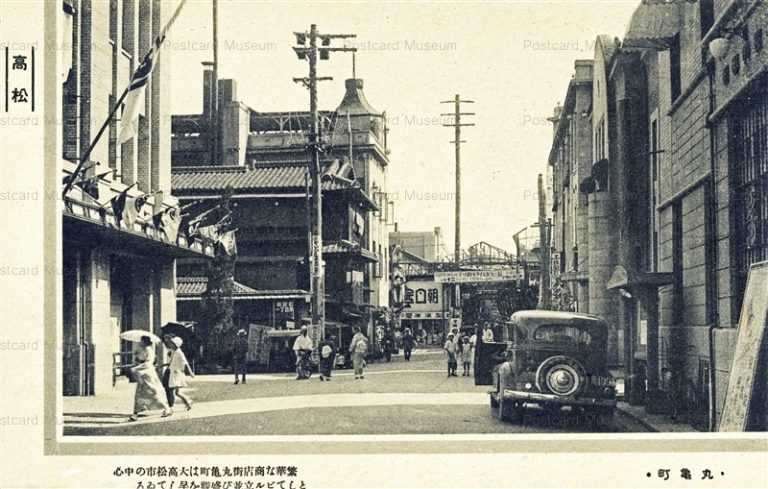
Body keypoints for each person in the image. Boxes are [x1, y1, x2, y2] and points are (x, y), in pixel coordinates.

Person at [129, 336, 170, 421]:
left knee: (154, 391)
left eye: (141, 341)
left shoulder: (149, 350)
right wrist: (136, 358)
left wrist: (136, 368)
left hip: (148, 374)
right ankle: (136, 413)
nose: (140, 342)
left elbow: (148, 363)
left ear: (145, 342)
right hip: (141, 374)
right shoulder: (141, 349)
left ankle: (167, 408)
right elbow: (139, 360)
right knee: (139, 393)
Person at [167, 336, 194, 412]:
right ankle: (188, 402)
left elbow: (185, 363)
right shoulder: (173, 351)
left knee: (172, 390)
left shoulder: (179, 352)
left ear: (176, 344)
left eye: (172, 343)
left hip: (176, 373)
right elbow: (171, 362)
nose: (171, 344)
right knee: (177, 392)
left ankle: (170, 408)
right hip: (173, 372)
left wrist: (191, 372)